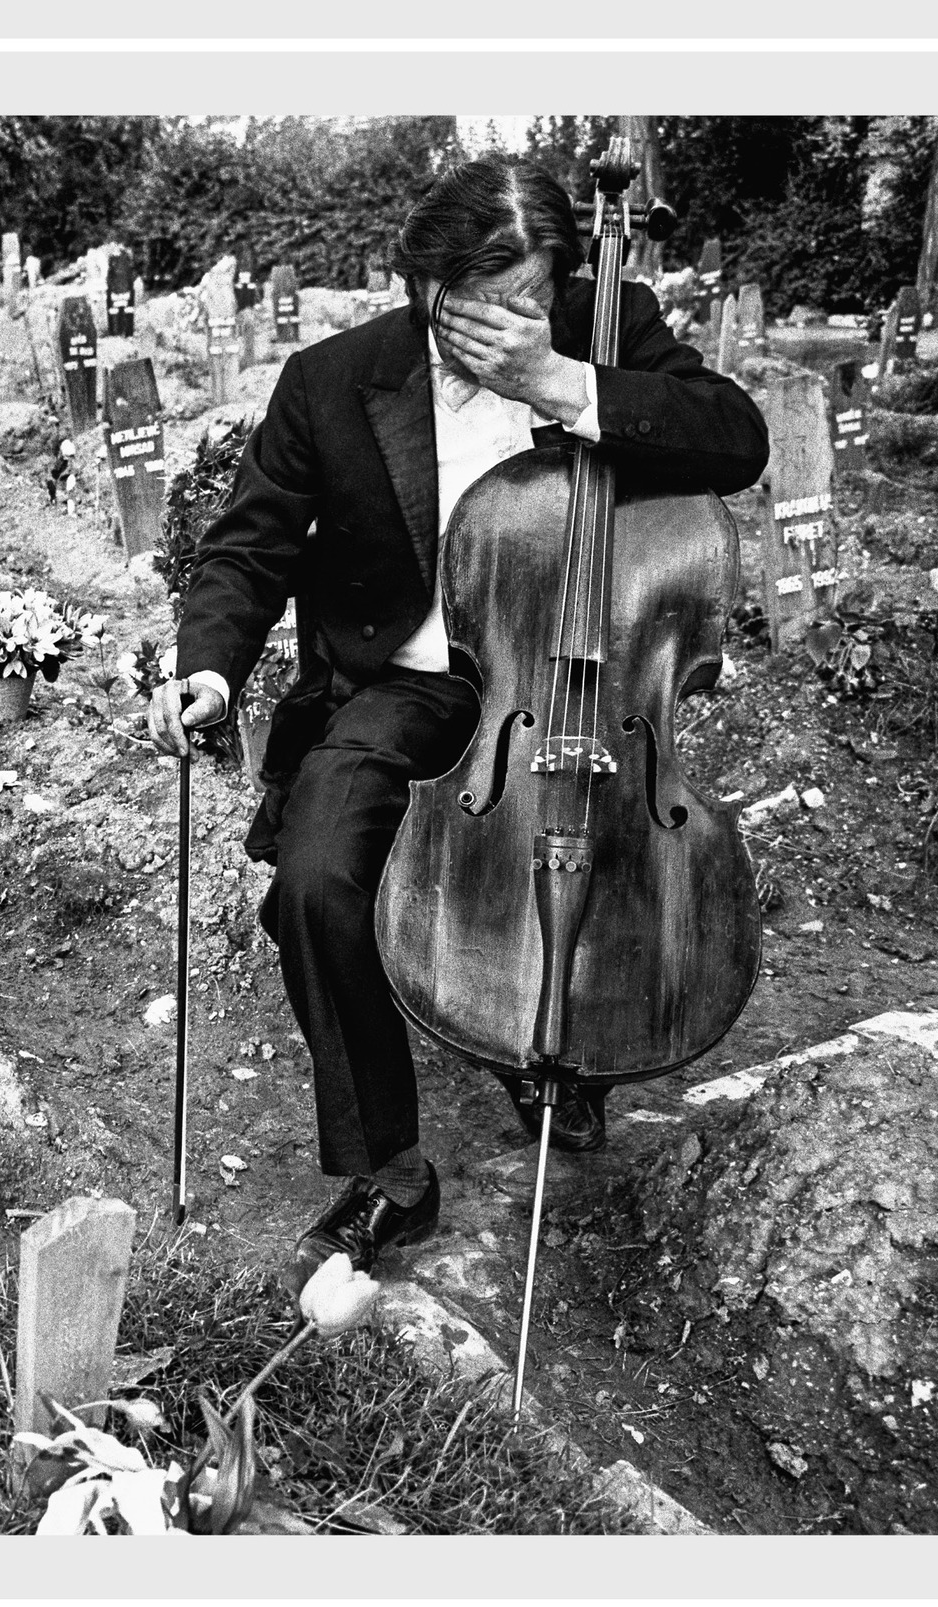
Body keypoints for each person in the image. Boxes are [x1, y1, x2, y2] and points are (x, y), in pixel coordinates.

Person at [147, 157, 769, 1301]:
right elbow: (251, 546)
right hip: (408, 680)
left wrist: (567, 380)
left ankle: (559, 1050)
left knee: (590, 833)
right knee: (313, 879)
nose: (511, 322)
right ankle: (387, 1163)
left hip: (571, 680)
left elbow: (736, 437)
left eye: (534, 297)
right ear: (427, 282)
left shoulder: (603, 323)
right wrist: (208, 669)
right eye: (487, 302)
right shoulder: (335, 379)